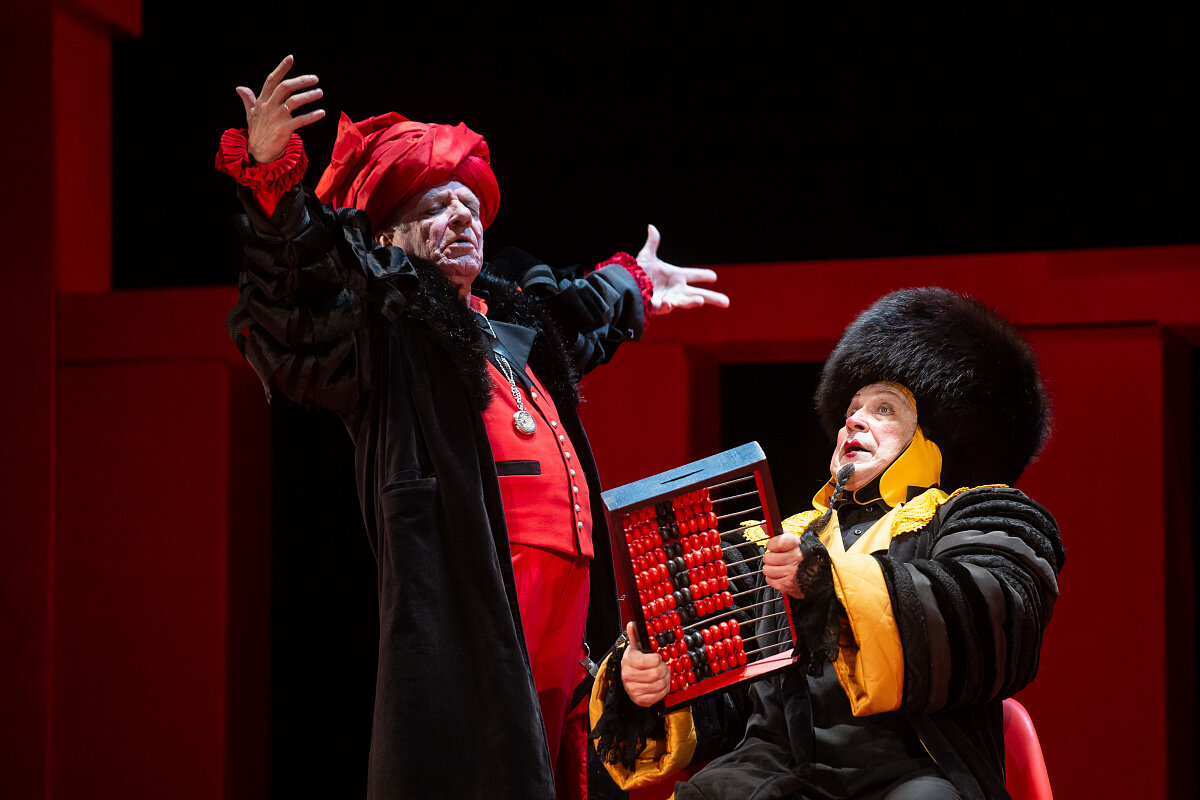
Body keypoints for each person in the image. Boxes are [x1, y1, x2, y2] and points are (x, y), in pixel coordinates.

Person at [215, 55, 728, 800]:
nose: (462, 217)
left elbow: (581, 311)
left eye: (468, 204)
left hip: (567, 612)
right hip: (478, 598)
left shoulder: (514, 327)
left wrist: (640, 281)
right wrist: (270, 178)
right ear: (386, 241)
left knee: (556, 766)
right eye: (435, 206)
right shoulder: (389, 333)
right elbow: (299, 294)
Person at [592, 287, 1065, 800]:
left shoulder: (984, 514)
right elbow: (730, 697)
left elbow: (992, 611)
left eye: (883, 409)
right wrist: (655, 684)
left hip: (910, 764)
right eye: (851, 410)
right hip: (774, 768)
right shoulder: (775, 542)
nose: (853, 420)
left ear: (933, 436)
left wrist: (828, 583)